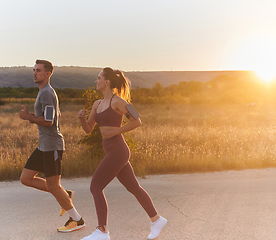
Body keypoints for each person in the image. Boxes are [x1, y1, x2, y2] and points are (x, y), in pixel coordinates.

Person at [78, 67, 167, 240]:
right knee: (134, 187)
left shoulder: (118, 102)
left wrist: (116, 131)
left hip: (118, 151)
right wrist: (82, 118)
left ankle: (102, 231)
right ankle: (156, 220)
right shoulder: (97, 104)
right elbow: (89, 129)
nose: (96, 81)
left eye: (98, 78)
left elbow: (137, 120)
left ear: (107, 82)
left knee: (95, 187)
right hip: (111, 151)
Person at [19, 59, 85, 233]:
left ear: (48, 74)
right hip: (44, 146)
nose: (34, 73)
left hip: (52, 146)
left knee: (53, 185)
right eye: (33, 70)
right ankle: (66, 195)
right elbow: (56, 117)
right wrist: (34, 116)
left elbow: (49, 122)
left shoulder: (47, 93)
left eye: (38, 70)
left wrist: (28, 118)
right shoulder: (44, 92)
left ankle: (77, 220)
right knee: (25, 178)